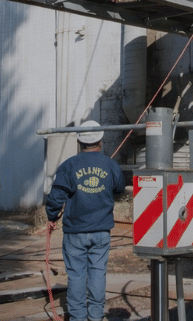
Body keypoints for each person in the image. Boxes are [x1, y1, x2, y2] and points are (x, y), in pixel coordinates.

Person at [45, 121, 125, 321]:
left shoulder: (69, 165)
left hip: (75, 232)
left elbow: (55, 197)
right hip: (101, 231)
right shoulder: (110, 164)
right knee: (98, 274)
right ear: (100, 139)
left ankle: (78, 317)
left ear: (79, 141)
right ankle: (96, 317)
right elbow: (120, 188)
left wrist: (52, 217)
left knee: (77, 275)